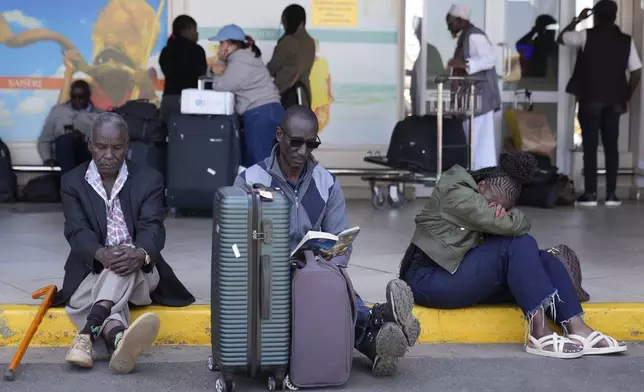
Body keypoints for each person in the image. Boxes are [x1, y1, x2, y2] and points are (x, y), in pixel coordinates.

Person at [234, 105, 421, 376]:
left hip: (312, 271)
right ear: (279, 135)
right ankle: (380, 326)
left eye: (311, 144)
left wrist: (332, 260)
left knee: (335, 290)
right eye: (295, 142)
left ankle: (379, 337)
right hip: (268, 276)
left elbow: (339, 238)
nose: (302, 151)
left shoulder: (327, 183)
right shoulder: (250, 180)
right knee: (317, 300)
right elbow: (236, 243)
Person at [400, 152, 627, 359]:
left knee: (543, 259)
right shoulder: (456, 191)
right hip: (428, 280)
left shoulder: (478, 194)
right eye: (490, 203)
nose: (492, 209)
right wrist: (509, 217)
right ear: (481, 185)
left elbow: (512, 224)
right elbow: (515, 226)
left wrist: (509, 217)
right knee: (519, 243)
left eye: (499, 208)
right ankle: (539, 333)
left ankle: (578, 328)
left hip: (456, 272)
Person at [54, 112, 195, 373]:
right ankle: (117, 338)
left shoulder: (149, 179)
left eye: (116, 147)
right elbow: (77, 231)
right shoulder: (72, 181)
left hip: (141, 273)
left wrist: (140, 254)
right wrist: (101, 255)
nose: (109, 155)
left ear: (127, 144)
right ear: (90, 144)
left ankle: (86, 336)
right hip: (91, 272)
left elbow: (153, 227)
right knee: (110, 273)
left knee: (125, 262)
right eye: (101, 147)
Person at [558, 0, 642, 207]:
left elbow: (561, 38)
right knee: (611, 147)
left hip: (590, 99)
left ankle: (591, 194)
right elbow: (636, 72)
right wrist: (626, 96)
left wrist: (578, 19)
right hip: (615, 102)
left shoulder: (586, 35)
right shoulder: (626, 40)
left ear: (595, 16)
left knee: (590, 147)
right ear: (614, 16)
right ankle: (612, 195)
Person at [209, 24, 283, 168]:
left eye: (221, 43)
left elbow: (220, 86)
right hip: (273, 111)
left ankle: (264, 191)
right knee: (272, 162)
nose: (219, 47)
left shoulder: (239, 61)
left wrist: (217, 69)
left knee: (260, 164)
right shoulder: (248, 56)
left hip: (259, 114)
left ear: (230, 44)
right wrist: (221, 63)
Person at [445, 4, 501, 170]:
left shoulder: (474, 36)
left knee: (481, 146)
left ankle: (484, 185)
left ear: (461, 20)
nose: (449, 27)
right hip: (471, 100)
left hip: (480, 100)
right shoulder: (465, 37)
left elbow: (490, 59)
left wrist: (463, 64)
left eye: (450, 22)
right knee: (473, 144)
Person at [37, 80, 102, 173]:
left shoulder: (100, 115)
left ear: (88, 96)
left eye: (81, 97)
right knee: (64, 141)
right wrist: (47, 159)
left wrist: (84, 137)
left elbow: (105, 144)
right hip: (64, 156)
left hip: (88, 156)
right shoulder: (57, 112)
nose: (77, 100)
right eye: (74, 97)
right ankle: (69, 182)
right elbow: (44, 140)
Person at [159, 15, 208, 123]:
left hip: (169, 100)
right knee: (189, 135)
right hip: (190, 101)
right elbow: (202, 75)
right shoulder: (197, 51)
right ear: (189, 30)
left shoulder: (166, 51)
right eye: (195, 30)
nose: (197, 34)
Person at [267, 4, 316, 109]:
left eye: (284, 21)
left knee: (285, 124)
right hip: (303, 95)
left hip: (285, 95)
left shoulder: (287, 42)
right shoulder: (310, 42)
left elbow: (271, 69)